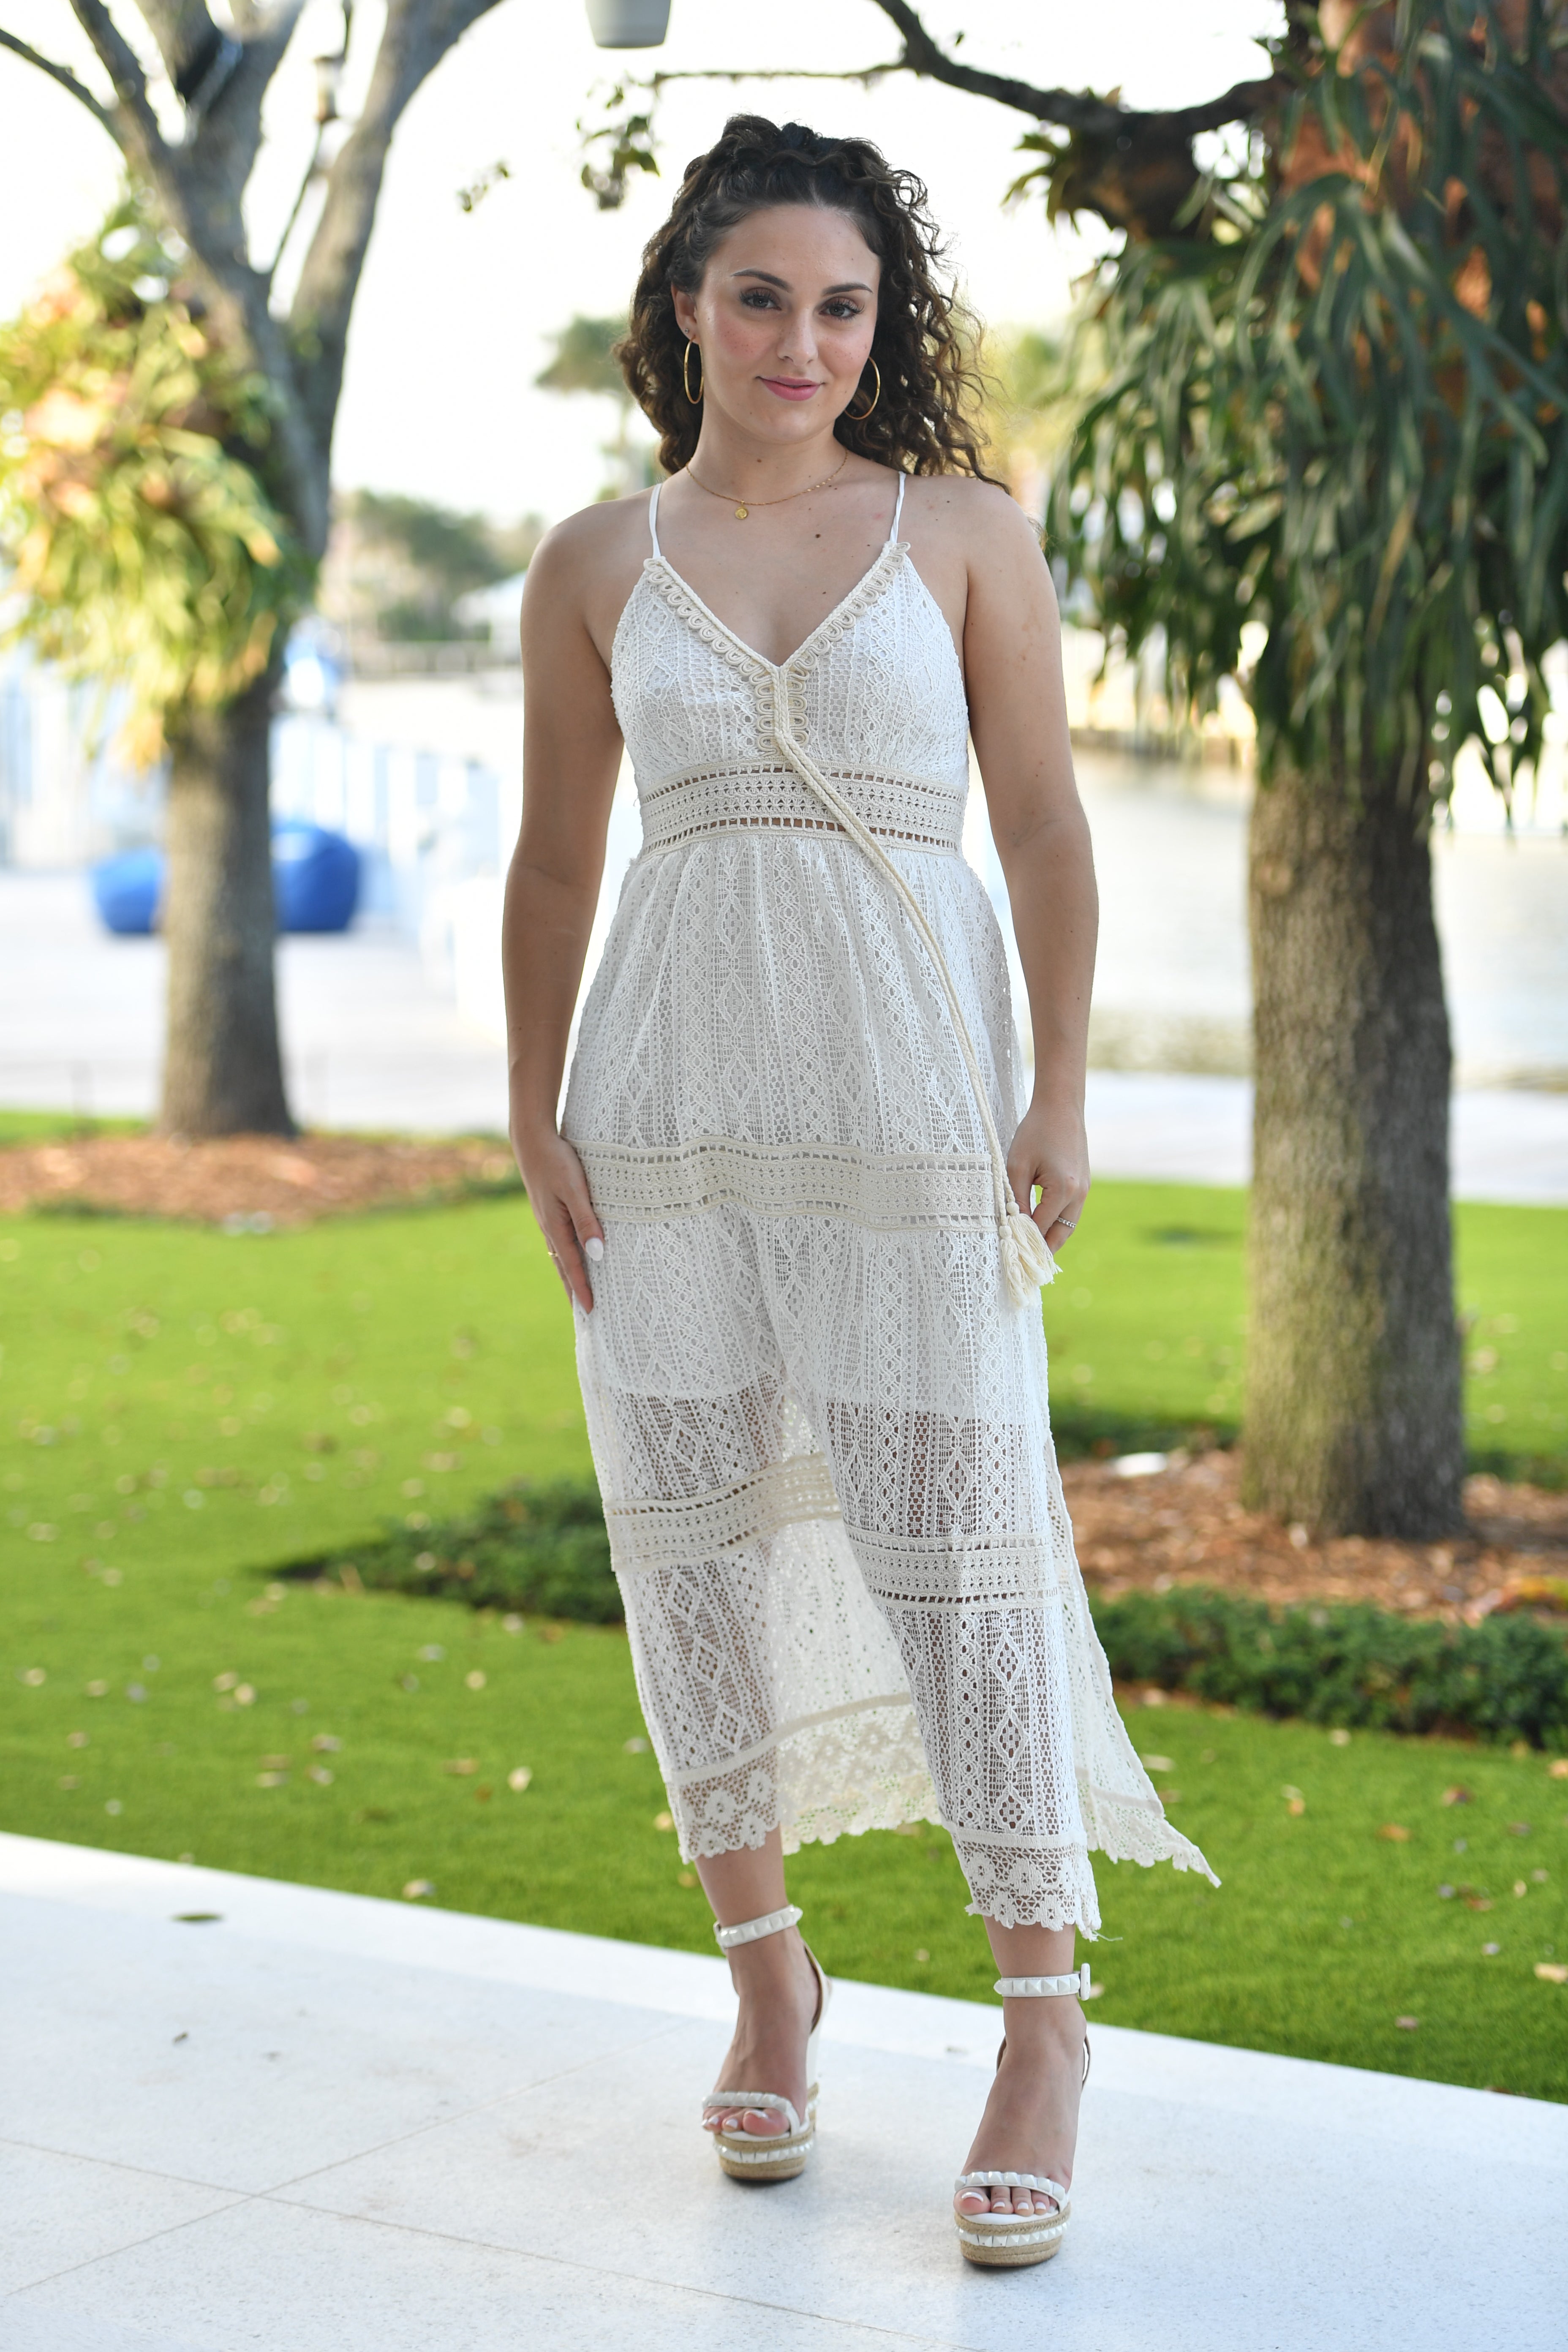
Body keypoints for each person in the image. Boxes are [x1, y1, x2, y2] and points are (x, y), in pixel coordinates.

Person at [503, 113, 1214, 2269]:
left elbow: (1048, 828)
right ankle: (767, 1985)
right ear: (687, 309)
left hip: (912, 1097)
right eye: (761, 300)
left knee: (959, 1550)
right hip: (667, 1105)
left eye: (840, 305)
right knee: (691, 1547)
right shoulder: (594, 563)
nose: (801, 343)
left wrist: (1062, 1090)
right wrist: (532, 1111)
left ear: (876, 322)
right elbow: (552, 864)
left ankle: (1042, 2029)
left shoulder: (966, 532)